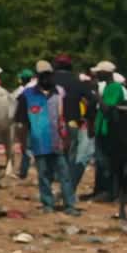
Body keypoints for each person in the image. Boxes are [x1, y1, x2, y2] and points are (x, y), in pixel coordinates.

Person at [14, 60, 73, 215]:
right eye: (43, 75)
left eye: (48, 75)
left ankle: (69, 205)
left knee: (65, 175)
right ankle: (48, 204)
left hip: (59, 140)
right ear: (37, 76)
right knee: (44, 175)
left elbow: (66, 116)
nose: (46, 78)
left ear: (52, 75)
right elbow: (21, 123)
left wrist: (68, 138)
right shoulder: (27, 96)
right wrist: (22, 142)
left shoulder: (60, 92)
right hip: (39, 142)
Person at [50, 54, 94, 201]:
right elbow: (92, 99)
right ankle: (66, 190)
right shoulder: (76, 82)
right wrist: (87, 116)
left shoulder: (47, 80)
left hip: (50, 124)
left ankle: (51, 189)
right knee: (70, 157)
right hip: (72, 123)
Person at [91, 60, 127, 203]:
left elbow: (108, 108)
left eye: (99, 73)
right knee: (101, 162)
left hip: (110, 130)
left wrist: (96, 95)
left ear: (106, 74)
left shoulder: (114, 88)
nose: (97, 75)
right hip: (102, 129)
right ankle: (105, 191)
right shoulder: (107, 87)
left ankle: (110, 192)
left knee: (107, 163)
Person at [11, 68, 34, 179]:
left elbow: (12, 102)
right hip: (36, 121)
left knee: (26, 148)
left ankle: (23, 172)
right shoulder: (35, 88)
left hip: (25, 121)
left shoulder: (21, 90)